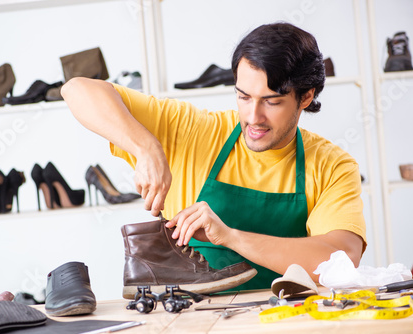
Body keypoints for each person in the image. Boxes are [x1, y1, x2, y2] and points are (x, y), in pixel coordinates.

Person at [62, 22, 366, 290]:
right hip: (191, 321)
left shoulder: (331, 165)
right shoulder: (194, 130)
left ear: (306, 96)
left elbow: (341, 259)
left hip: (286, 318)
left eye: (271, 102)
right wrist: (146, 149)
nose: (253, 117)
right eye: (243, 97)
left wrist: (230, 236)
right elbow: (77, 89)